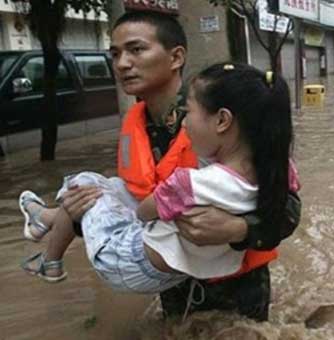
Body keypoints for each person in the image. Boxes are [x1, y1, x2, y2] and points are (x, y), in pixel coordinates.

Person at [19, 11, 301, 322]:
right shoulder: (135, 122)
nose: (123, 63)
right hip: (170, 277)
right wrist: (76, 212)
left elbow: (286, 205)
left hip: (235, 287)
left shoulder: (221, 117)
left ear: (176, 56)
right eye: (115, 54)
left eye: (136, 50)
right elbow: (137, 207)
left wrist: (240, 229)